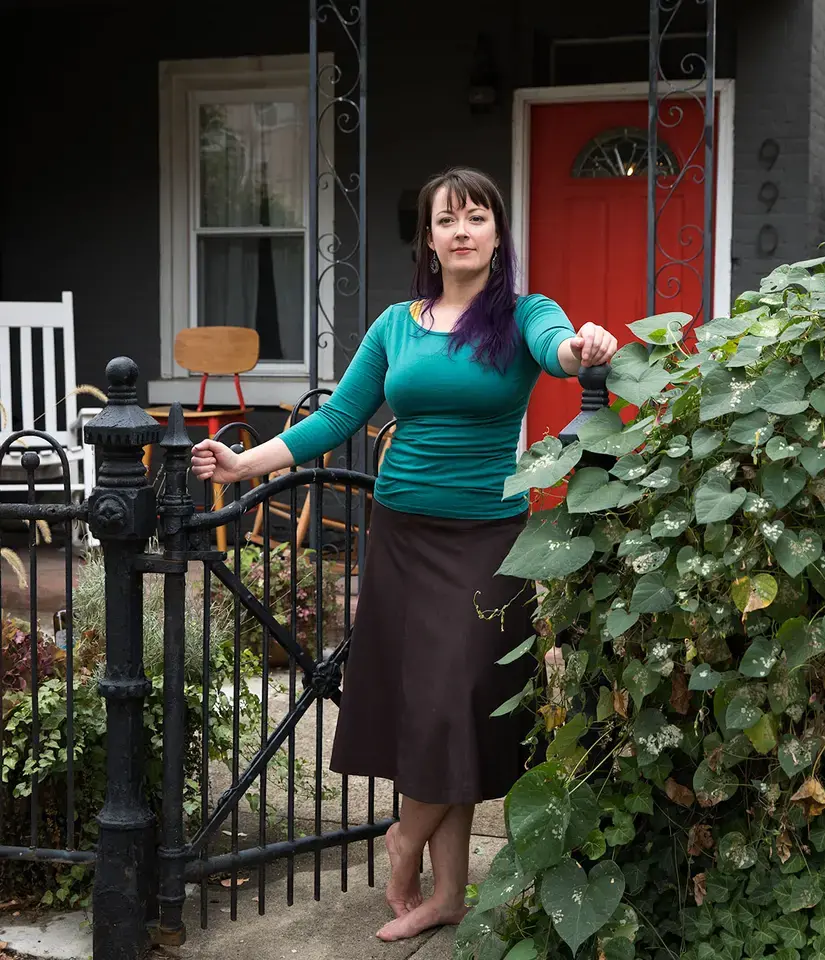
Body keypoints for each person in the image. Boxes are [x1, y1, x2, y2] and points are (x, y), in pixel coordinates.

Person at [190, 166, 617, 941]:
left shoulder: (526, 314)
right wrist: (243, 465)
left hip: (489, 537)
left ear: (496, 235)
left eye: (477, 217)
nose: (462, 230)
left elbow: (560, 352)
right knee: (427, 707)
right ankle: (449, 894)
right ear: (429, 238)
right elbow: (338, 417)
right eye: (447, 219)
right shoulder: (395, 325)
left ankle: (404, 839)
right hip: (401, 535)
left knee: (456, 697)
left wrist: (586, 344)